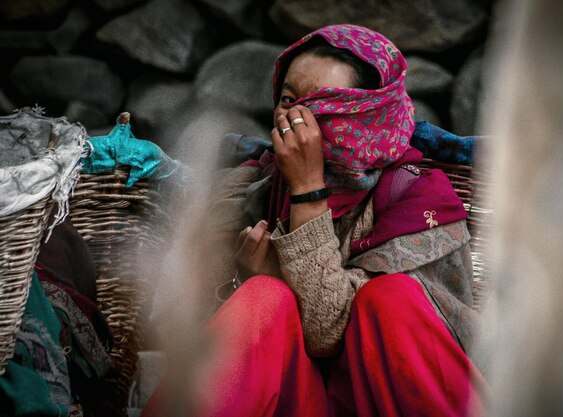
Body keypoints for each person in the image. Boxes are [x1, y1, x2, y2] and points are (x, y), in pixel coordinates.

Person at [144, 24, 485, 417]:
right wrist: (251, 280)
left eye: (323, 106)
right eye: (288, 100)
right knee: (263, 299)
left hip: (380, 403)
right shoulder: (249, 190)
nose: (294, 121)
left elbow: (331, 334)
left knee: (390, 298)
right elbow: (181, 332)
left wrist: (307, 189)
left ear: (368, 116)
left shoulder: (420, 203)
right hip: (298, 402)